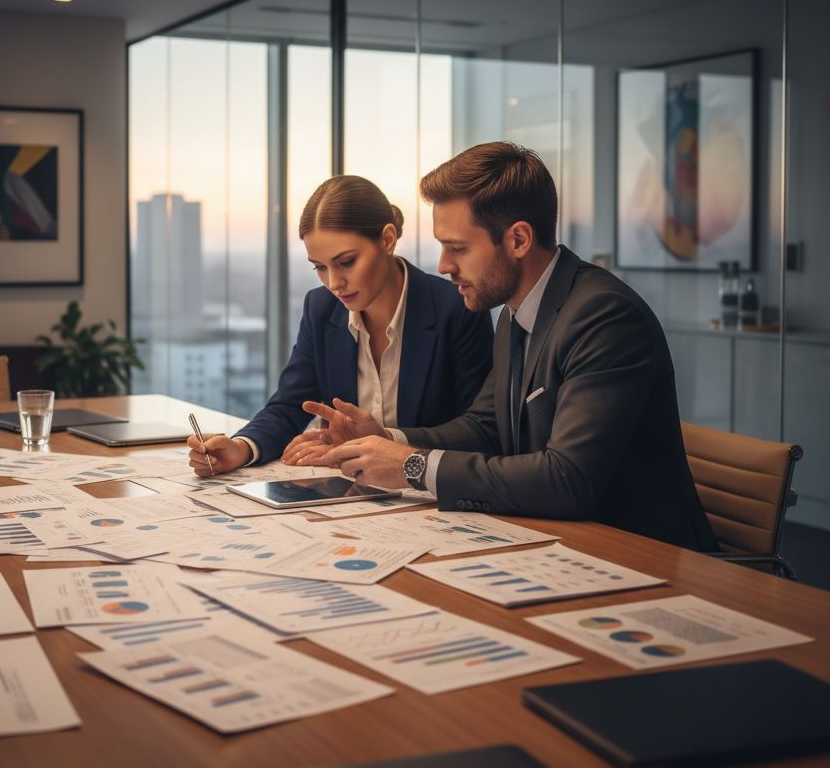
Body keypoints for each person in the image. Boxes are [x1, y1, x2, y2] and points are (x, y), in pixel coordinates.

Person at [304, 142, 718, 552]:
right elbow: (485, 428)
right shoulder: (517, 311)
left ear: (518, 239)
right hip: (558, 542)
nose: (444, 265)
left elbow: (568, 478)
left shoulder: (604, 318)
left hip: (643, 555)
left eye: (458, 248)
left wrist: (413, 466)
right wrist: (387, 437)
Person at [187, 174, 494, 475]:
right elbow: (290, 405)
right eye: (320, 267)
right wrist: (242, 448)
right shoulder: (320, 308)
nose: (334, 283)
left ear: (387, 240)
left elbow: (479, 431)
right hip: (351, 490)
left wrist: (388, 440)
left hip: (432, 493)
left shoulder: (456, 308)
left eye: (346, 262)